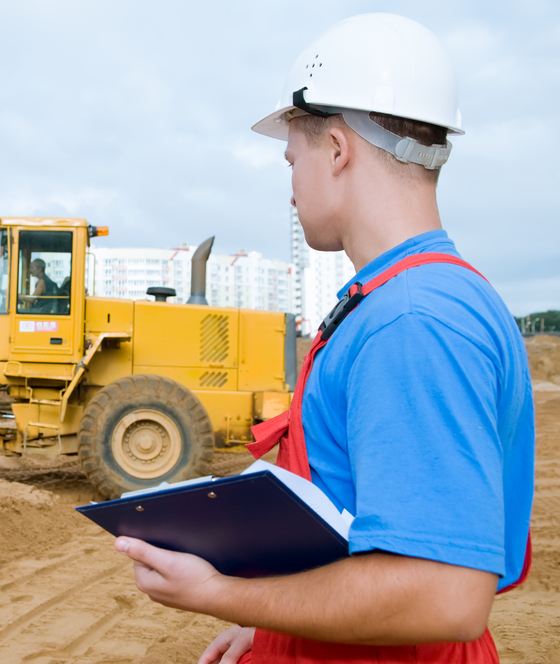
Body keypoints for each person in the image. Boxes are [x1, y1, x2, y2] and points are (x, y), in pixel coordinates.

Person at [113, 13, 534, 664]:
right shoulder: (400, 299)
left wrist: (225, 594)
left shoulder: (412, 321)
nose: (289, 191)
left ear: (337, 149)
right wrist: (272, 628)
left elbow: (443, 595)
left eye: (293, 159)